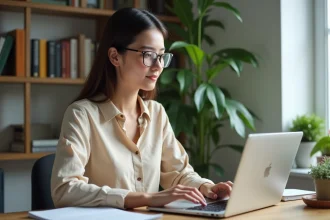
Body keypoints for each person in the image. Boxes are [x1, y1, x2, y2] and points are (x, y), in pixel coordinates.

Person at [51, 7, 233, 210]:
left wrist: (208, 187)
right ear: (115, 57)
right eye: (148, 55)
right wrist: (145, 198)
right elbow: (64, 189)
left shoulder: (156, 113)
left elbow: (179, 174)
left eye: (162, 56)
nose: (158, 66)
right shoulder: (82, 115)